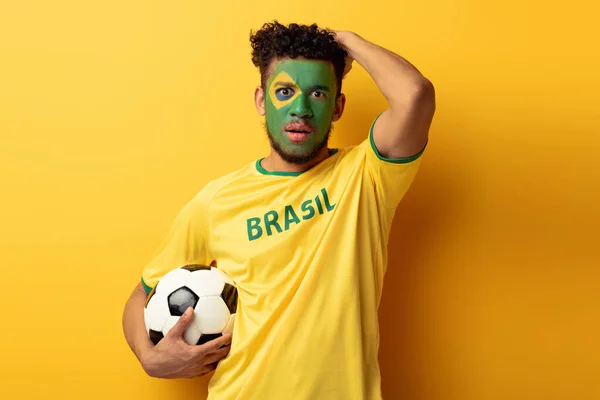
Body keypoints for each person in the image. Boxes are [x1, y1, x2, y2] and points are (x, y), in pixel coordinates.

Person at [122, 21, 435, 399]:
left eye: (317, 93)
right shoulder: (216, 200)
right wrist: (149, 357)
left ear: (337, 106)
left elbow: (416, 95)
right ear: (261, 100)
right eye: (285, 91)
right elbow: (142, 294)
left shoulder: (366, 175)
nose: (300, 109)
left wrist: (346, 43)